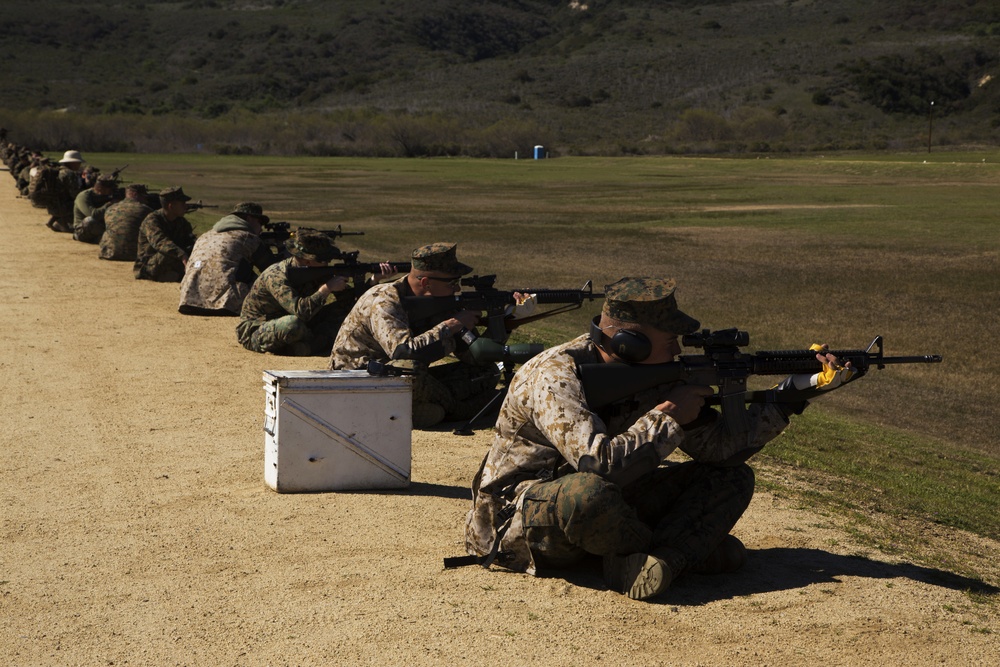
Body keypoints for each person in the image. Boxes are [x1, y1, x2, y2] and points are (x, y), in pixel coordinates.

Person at [462, 276, 856, 600]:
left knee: (731, 479)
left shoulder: (658, 373)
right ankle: (683, 554)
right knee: (587, 493)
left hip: (610, 508)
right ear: (628, 343)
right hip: (519, 520)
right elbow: (599, 465)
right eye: (670, 338)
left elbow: (720, 453)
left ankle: (659, 560)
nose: (678, 348)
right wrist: (669, 415)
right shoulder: (555, 376)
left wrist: (792, 396)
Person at [329, 242, 502, 429]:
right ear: (425, 283)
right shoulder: (384, 300)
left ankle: (419, 409)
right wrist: (451, 325)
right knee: (408, 368)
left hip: (395, 378)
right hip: (356, 382)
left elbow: (474, 357)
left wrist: (502, 321)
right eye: (452, 283)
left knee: (487, 371)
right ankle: (459, 410)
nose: (457, 289)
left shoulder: (438, 301)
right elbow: (403, 352)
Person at [236, 229, 373, 356]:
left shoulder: (316, 271)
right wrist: (326, 289)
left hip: (302, 325)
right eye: (325, 260)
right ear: (308, 260)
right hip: (257, 329)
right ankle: (317, 344)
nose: (328, 263)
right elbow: (300, 312)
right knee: (292, 324)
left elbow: (351, 301)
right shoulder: (276, 276)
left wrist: (372, 281)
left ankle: (307, 346)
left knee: (347, 312)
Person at [178, 202, 282, 316]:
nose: (261, 228)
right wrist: (282, 250)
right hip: (228, 305)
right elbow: (272, 269)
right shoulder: (248, 237)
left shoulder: (205, 235)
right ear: (249, 218)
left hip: (189, 300)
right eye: (260, 222)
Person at [133, 186, 196, 282]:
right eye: (182, 203)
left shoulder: (182, 222)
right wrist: (182, 255)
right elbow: (160, 242)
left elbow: (190, 241)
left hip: (171, 262)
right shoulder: (152, 220)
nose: (186, 206)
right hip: (148, 265)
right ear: (171, 206)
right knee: (167, 252)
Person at [99, 184, 153, 261]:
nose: (146, 200)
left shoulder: (111, 208)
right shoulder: (145, 210)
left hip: (108, 253)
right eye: (144, 196)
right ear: (135, 194)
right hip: (132, 254)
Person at [45, 150, 85, 233]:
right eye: (78, 162)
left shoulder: (58, 171)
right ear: (72, 163)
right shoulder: (70, 174)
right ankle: (61, 223)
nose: (79, 165)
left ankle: (53, 221)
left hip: (53, 205)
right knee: (82, 203)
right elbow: (75, 195)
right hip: (61, 206)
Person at [72, 174, 119, 243]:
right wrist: (109, 204)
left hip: (100, 228)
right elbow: (93, 214)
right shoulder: (84, 196)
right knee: (90, 220)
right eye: (110, 188)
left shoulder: (109, 196)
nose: (112, 191)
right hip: (83, 230)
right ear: (100, 188)